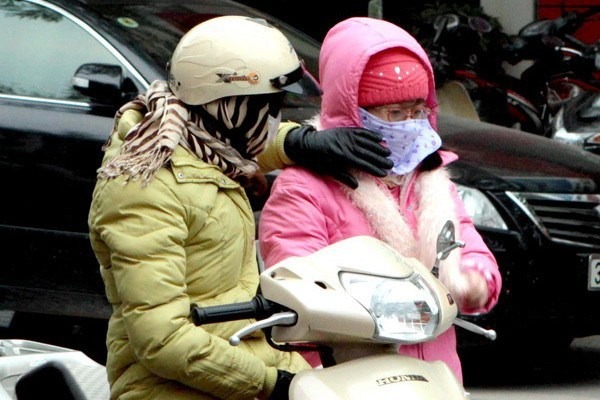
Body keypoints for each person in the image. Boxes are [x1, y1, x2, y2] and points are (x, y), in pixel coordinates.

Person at [88, 16, 392, 400]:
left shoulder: (200, 142)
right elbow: (161, 339)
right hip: (175, 386)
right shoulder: (143, 189)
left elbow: (238, 142)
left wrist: (298, 142)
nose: (277, 119)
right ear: (230, 106)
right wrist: (271, 384)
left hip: (248, 354)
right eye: (272, 107)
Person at [258, 17, 502, 383]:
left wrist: (473, 281)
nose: (410, 124)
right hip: (351, 378)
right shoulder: (304, 187)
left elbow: (471, 249)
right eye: (395, 114)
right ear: (354, 113)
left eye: (418, 111)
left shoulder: (430, 181)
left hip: (435, 378)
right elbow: (297, 288)